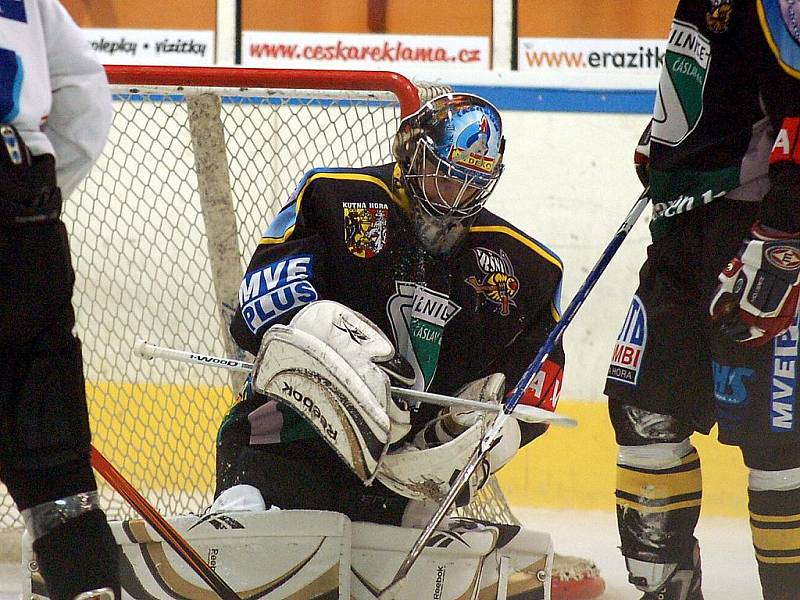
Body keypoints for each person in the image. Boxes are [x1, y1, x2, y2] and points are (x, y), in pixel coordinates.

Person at [213, 92, 604, 599]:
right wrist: (338, 362)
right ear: (413, 152)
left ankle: (418, 522)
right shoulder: (332, 197)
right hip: (285, 446)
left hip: (399, 484)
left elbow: (533, 393)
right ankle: (241, 509)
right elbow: (255, 318)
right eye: (447, 172)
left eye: (474, 181)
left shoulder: (525, 268)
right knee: (322, 323)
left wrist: (470, 437)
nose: (457, 194)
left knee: (492, 424)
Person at [604, 1, 800, 598]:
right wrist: (673, 148)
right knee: (644, 411)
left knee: (778, 439)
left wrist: (785, 236)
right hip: (680, 238)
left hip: (750, 234)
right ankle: (668, 589)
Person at [0, 1, 119, 599]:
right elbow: (84, 103)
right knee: (58, 486)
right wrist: (33, 207)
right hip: (25, 218)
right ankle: (87, 582)